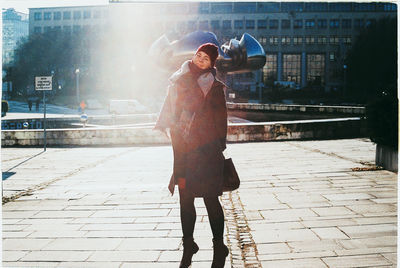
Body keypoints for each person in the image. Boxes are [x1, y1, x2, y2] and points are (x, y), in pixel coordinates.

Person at [155, 43, 228, 268]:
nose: (200, 60)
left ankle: (219, 245)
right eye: (198, 55)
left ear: (211, 64)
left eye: (205, 59)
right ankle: (189, 245)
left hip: (207, 152)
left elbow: (221, 120)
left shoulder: (214, 87)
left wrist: (217, 147)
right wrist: (170, 130)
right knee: (185, 199)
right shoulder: (177, 80)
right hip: (183, 151)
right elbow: (168, 111)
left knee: (210, 199)